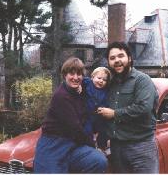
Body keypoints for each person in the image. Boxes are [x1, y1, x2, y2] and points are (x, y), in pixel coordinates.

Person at [33, 57, 107, 173]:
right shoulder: (61, 96)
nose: (76, 77)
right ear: (64, 75)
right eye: (71, 74)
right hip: (54, 144)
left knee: (99, 160)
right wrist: (93, 145)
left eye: (79, 74)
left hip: (72, 144)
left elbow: (96, 82)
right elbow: (76, 128)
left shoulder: (81, 90)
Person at [97, 42, 159, 173]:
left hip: (141, 146)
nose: (117, 61)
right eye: (112, 58)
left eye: (121, 56)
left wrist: (115, 114)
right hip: (117, 147)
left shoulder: (142, 80)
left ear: (129, 58)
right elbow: (94, 94)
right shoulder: (110, 83)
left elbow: (143, 107)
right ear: (108, 62)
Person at [82, 67, 111, 150]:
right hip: (88, 115)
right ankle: (89, 145)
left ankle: (102, 147)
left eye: (104, 80)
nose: (101, 81)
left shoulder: (105, 91)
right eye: (99, 78)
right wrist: (79, 87)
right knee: (87, 130)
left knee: (103, 131)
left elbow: (107, 102)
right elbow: (80, 81)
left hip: (99, 117)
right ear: (92, 77)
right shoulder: (87, 83)